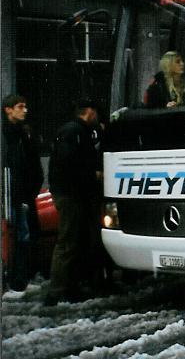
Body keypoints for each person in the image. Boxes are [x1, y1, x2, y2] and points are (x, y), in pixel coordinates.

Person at [45, 100, 102, 305]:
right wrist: (91, 176)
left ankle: (68, 287)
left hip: (71, 193)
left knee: (73, 241)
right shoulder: (75, 132)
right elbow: (70, 164)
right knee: (68, 241)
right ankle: (57, 290)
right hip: (70, 195)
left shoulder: (76, 131)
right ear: (90, 111)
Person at [1, 94, 43, 294]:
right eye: (20, 106)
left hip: (20, 193)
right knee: (20, 234)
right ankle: (17, 280)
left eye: (25, 106)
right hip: (15, 194)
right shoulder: (11, 136)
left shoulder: (21, 134)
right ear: (8, 109)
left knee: (22, 235)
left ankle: (20, 279)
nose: (24, 110)